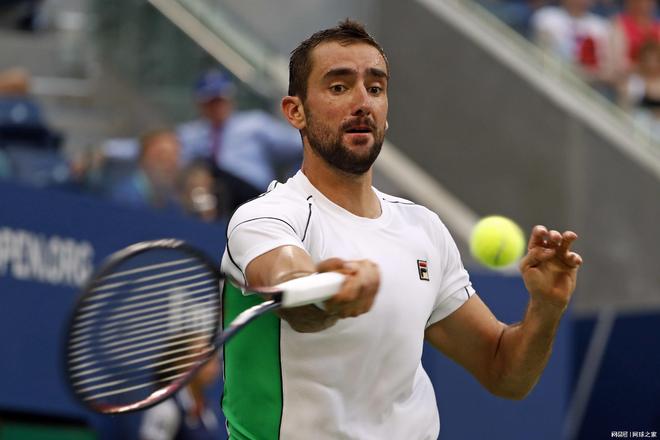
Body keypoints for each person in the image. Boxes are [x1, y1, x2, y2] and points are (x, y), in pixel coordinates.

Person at [220, 19, 583, 439]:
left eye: (375, 88)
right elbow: (288, 285)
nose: (362, 102)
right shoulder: (265, 218)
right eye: (339, 87)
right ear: (295, 111)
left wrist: (545, 308)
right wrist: (326, 290)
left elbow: (504, 371)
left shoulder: (423, 229)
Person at [177, 70, 303, 209]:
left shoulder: (254, 123)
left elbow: (298, 144)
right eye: (211, 102)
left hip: (253, 193)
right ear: (200, 104)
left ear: (230, 99)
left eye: (220, 100)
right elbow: (179, 167)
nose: (217, 107)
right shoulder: (189, 133)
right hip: (214, 198)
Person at [531, 0, 610, 83]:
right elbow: (540, 52)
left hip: (583, 83)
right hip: (548, 76)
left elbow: (603, 69)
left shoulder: (601, 27)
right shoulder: (546, 16)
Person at [109, 129, 181, 211]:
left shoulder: (172, 197)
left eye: (175, 156)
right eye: (161, 156)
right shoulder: (124, 198)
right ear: (143, 159)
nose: (170, 164)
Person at [609, 0, 660, 84]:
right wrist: (644, 68)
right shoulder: (619, 24)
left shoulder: (657, 27)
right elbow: (617, 65)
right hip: (628, 80)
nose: (644, 4)